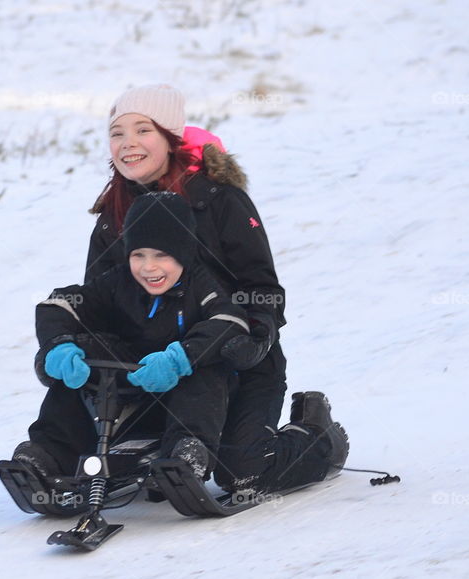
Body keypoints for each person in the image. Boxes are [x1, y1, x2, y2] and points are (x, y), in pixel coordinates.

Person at [78, 84, 347, 494]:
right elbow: (102, 301)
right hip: (156, 369)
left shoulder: (219, 200)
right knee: (117, 460)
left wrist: (255, 336)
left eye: (142, 130)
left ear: (170, 138)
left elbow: (262, 287)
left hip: (235, 361)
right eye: (117, 133)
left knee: (241, 472)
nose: (127, 144)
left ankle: (317, 434)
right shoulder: (113, 215)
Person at [16, 191, 249, 491]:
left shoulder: (201, 285)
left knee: (205, 371)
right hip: (133, 391)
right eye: (138, 255)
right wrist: (57, 343)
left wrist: (180, 358)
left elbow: (231, 322)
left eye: (161, 255)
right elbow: (59, 304)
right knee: (78, 362)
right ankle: (50, 452)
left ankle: (188, 453)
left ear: (183, 252)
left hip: (187, 399)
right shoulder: (119, 282)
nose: (148, 267)